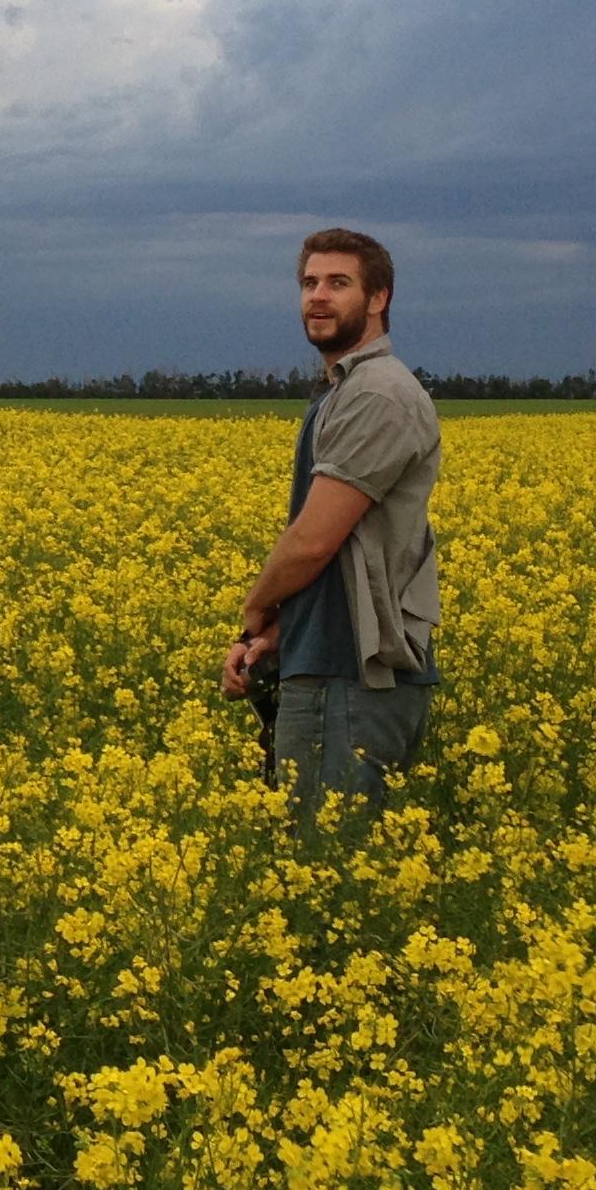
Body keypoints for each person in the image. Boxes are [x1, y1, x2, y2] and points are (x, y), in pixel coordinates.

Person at [221, 229, 441, 823]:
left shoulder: (378, 395)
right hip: (325, 666)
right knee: (313, 869)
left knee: (326, 867)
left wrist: (256, 609)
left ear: (378, 299)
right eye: (309, 283)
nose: (318, 296)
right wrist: (283, 635)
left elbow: (315, 540)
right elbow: (345, 558)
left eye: (339, 283)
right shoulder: (344, 392)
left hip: (351, 681)